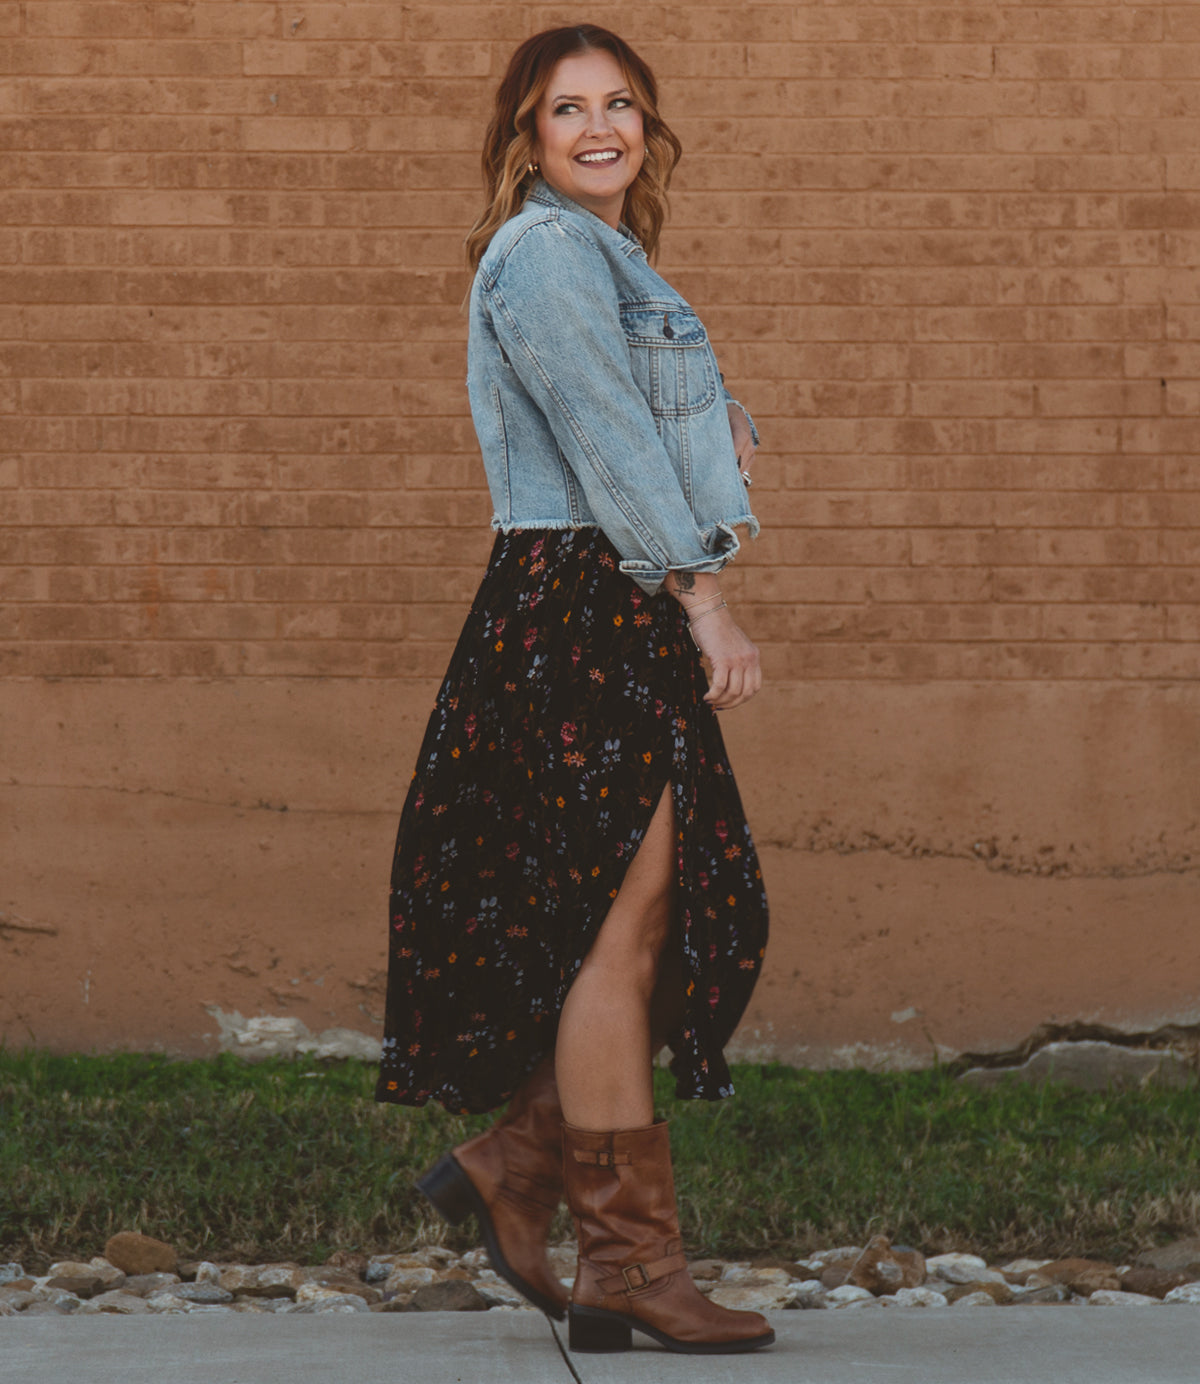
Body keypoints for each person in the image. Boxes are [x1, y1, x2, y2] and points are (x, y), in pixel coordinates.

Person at [374, 23, 773, 1356]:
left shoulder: (604, 255)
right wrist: (705, 593)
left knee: (645, 921)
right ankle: (628, 1263)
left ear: (649, 126)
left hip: (605, 601)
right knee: (617, 932)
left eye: (621, 104)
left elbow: (646, 432)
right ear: (526, 137)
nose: (599, 125)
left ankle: (521, 1166)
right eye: (567, 108)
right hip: (583, 603)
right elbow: (607, 440)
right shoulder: (545, 252)